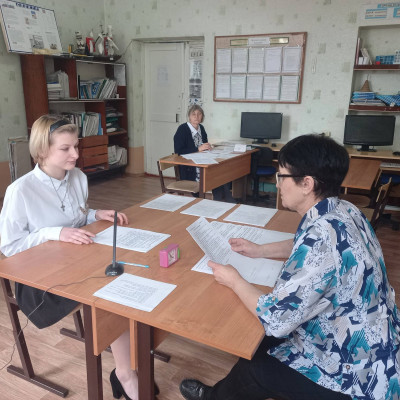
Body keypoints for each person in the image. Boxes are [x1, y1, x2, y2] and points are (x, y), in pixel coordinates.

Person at [179, 134, 400, 400]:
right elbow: (305, 244)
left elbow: (275, 319)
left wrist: (234, 279)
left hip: (356, 372)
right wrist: (260, 250)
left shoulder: (321, 237)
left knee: (256, 366)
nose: (277, 184)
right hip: (377, 340)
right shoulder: (344, 209)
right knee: (261, 342)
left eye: (281, 176)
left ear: (307, 184)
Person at [0, 115, 146, 400]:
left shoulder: (77, 177)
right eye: (65, 148)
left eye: (76, 146)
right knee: (113, 292)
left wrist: (95, 214)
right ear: (42, 151)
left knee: (126, 273)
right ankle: (125, 374)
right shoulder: (21, 191)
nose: (76, 154)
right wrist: (54, 233)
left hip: (76, 261)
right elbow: (9, 247)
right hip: (39, 283)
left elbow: (76, 216)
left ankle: (126, 356)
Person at [173, 104, 235, 202]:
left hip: (202, 161)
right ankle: (225, 201)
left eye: (199, 114)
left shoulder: (201, 128)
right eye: (193, 114)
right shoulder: (182, 129)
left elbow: (203, 145)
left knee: (220, 171)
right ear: (189, 116)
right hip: (189, 167)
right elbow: (179, 151)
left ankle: (221, 200)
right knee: (215, 175)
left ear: (202, 116)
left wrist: (207, 147)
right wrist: (198, 148)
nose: (196, 117)